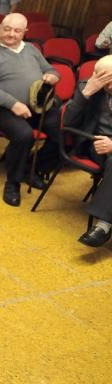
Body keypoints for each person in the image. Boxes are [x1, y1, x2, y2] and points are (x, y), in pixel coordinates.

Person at [0, 13, 62, 207]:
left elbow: (51, 70)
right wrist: (13, 104)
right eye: (7, 29)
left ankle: (33, 168)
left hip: (34, 106)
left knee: (62, 130)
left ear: (25, 32)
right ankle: (13, 183)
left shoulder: (31, 49)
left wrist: (53, 76)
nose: (11, 34)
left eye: (17, 30)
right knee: (24, 135)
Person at [64, 56, 112, 246]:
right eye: (104, 80)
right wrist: (86, 94)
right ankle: (104, 225)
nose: (108, 85)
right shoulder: (88, 87)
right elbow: (67, 122)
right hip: (96, 142)